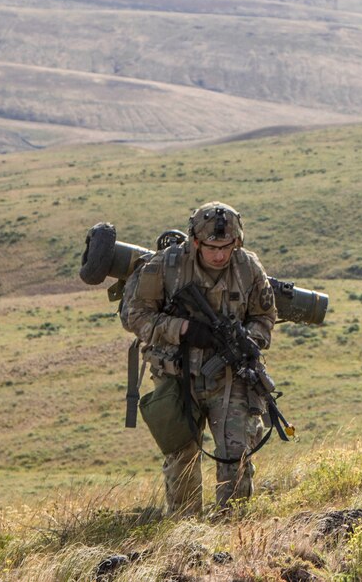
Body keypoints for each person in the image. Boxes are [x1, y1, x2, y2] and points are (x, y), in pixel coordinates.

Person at [120, 201, 277, 516]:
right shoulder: (167, 267)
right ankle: (186, 534)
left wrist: (249, 339)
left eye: (226, 246)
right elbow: (133, 315)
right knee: (182, 459)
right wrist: (183, 329)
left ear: (237, 242)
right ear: (195, 242)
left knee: (236, 455)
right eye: (211, 247)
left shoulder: (248, 268)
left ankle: (232, 533)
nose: (219, 254)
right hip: (178, 377)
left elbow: (265, 316)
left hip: (230, 378)